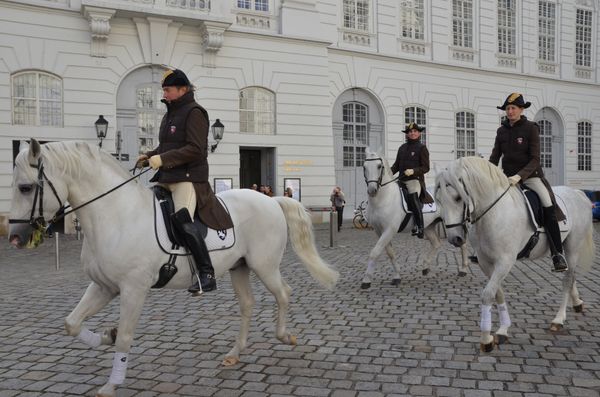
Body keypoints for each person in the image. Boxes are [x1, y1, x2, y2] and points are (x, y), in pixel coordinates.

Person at [137, 68, 233, 293]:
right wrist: (149, 156)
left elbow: (195, 150)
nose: (164, 94)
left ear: (183, 89)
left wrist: (161, 159)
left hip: (188, 179)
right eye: (164, 90)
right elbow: (168, 147)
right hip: (167, 176)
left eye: (168, 90)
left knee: (181, 218)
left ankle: (206, 273)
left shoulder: (195, 112)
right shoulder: (170, 113)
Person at [489, 93, 567, 272]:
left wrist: (520, 176)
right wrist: (489, 174)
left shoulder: (531, 128)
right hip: (507, 178)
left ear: (521, 110)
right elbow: (495, 156)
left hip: (531, 177)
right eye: (507, 109)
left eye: (513, 108)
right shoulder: (501, 131)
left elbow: (535, 159)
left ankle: (557, 253)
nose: (510, 111)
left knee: (547, 205)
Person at [390, 122, 433, 239]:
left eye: (414, 131)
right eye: (410, 132)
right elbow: (396, 165)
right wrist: (387, 174)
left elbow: (426, 167)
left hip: (414, 180)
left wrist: (413, 171)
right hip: (401, 180)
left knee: (413, 196)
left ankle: (420, 227)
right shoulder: (402, 148)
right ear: (407, 134)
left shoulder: (422, 148)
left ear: (419, 133)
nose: (412, 133)